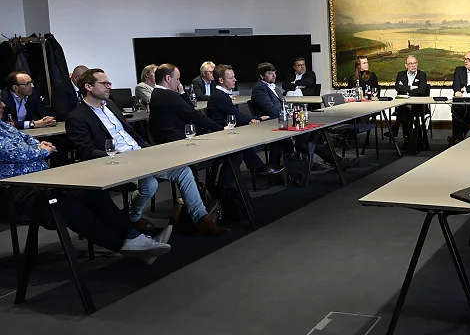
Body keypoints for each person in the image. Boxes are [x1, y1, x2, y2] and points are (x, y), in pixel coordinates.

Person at [0, 99, 172, 261]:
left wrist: (36, 148)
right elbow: (13, 153)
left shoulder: (4, 127)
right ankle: (131, 246)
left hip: (41, 180)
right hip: (14, 188)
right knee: (65, 205)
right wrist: (41, 151)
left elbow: (29, 140)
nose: (3, 104)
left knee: (91, 192)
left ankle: (136, 239)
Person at [66, 68, 224, 235]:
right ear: (89, 87)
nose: (109, 87)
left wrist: (147, 148)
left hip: (140, 154)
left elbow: (131, 133)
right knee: (150, 183)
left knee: (183, 171)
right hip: (118, 161)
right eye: (104, 83)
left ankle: (201, 219)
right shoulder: (78, 117)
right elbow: (86, 151)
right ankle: (133, 216)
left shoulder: (110, 105)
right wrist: (115, 155)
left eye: (109, 83)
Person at [205, 64, 282, 180]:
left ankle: (259, 169)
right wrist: (259, 118)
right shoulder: (219, 97)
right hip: (221, 134)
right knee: (240, 148)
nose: (235, 80)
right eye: (231, 78)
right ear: (221, 80)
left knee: (243, 146)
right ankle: (257, 170)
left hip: (229, 130)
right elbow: (237, 116)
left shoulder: (221, 95)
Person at [390, 55, 430, 144]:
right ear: (406, 65)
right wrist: (411, 88)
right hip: (403, 103)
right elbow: (397, 87)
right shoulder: (401, 74)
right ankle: (407, 136)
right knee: (405, 109)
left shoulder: (422, 75)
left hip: (418, 104)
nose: (413, 65)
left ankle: (398, 130)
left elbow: (422, 90)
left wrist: (407, 92)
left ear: (417, 64)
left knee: (405, 109)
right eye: (410, 63)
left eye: (415, 63)